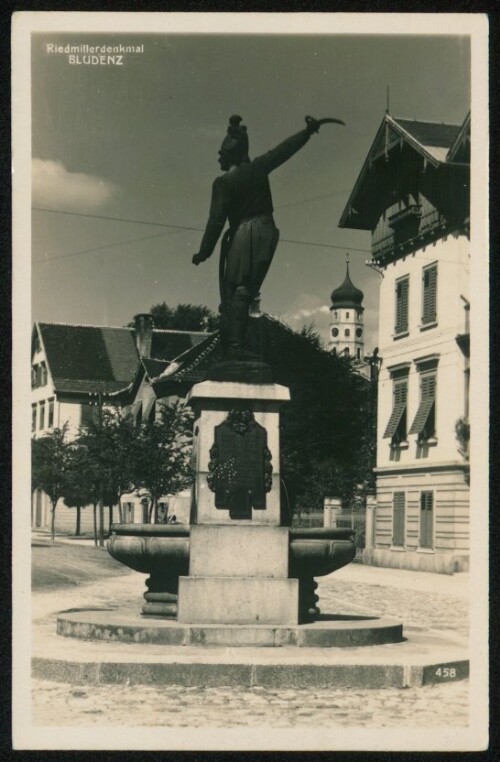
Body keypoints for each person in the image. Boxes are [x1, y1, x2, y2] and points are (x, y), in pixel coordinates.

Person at [192, 114, 321, 360]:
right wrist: (307, 133)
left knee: (237, 290)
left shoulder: (223, 183)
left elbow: (216, 220)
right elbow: (284, 150)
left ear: (230, 155)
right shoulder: (258, 167)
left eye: (221, 152)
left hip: (245, 233)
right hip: (267, 230)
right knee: (246, 291)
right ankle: (235, 344)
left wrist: (204, 252)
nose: (218, 156)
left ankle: (235, 346)